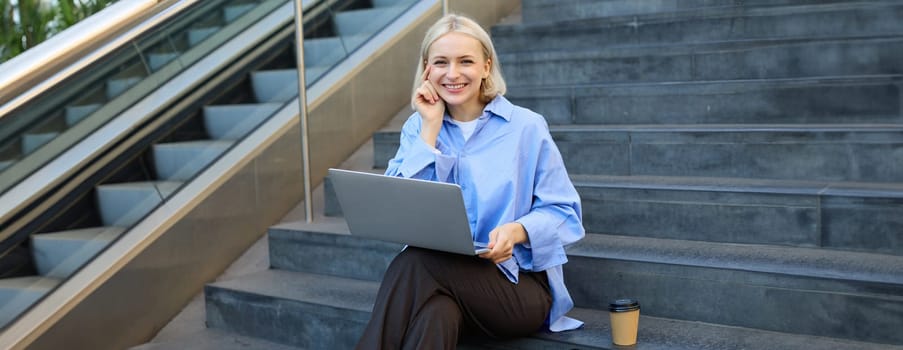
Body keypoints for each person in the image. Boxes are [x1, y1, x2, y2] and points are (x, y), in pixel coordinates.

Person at [355, 13, 585, 350]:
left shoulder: (526, 127)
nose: (452, 73)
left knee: (415, 261)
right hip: (442, 282)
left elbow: (565, 213)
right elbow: (396, 205)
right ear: (426, 69)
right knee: (436, 314)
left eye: (465, 61)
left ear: (486, 66)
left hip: (517, 286)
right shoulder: (417, 129)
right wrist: (429, 130)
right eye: (441, 62)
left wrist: (517, 231)